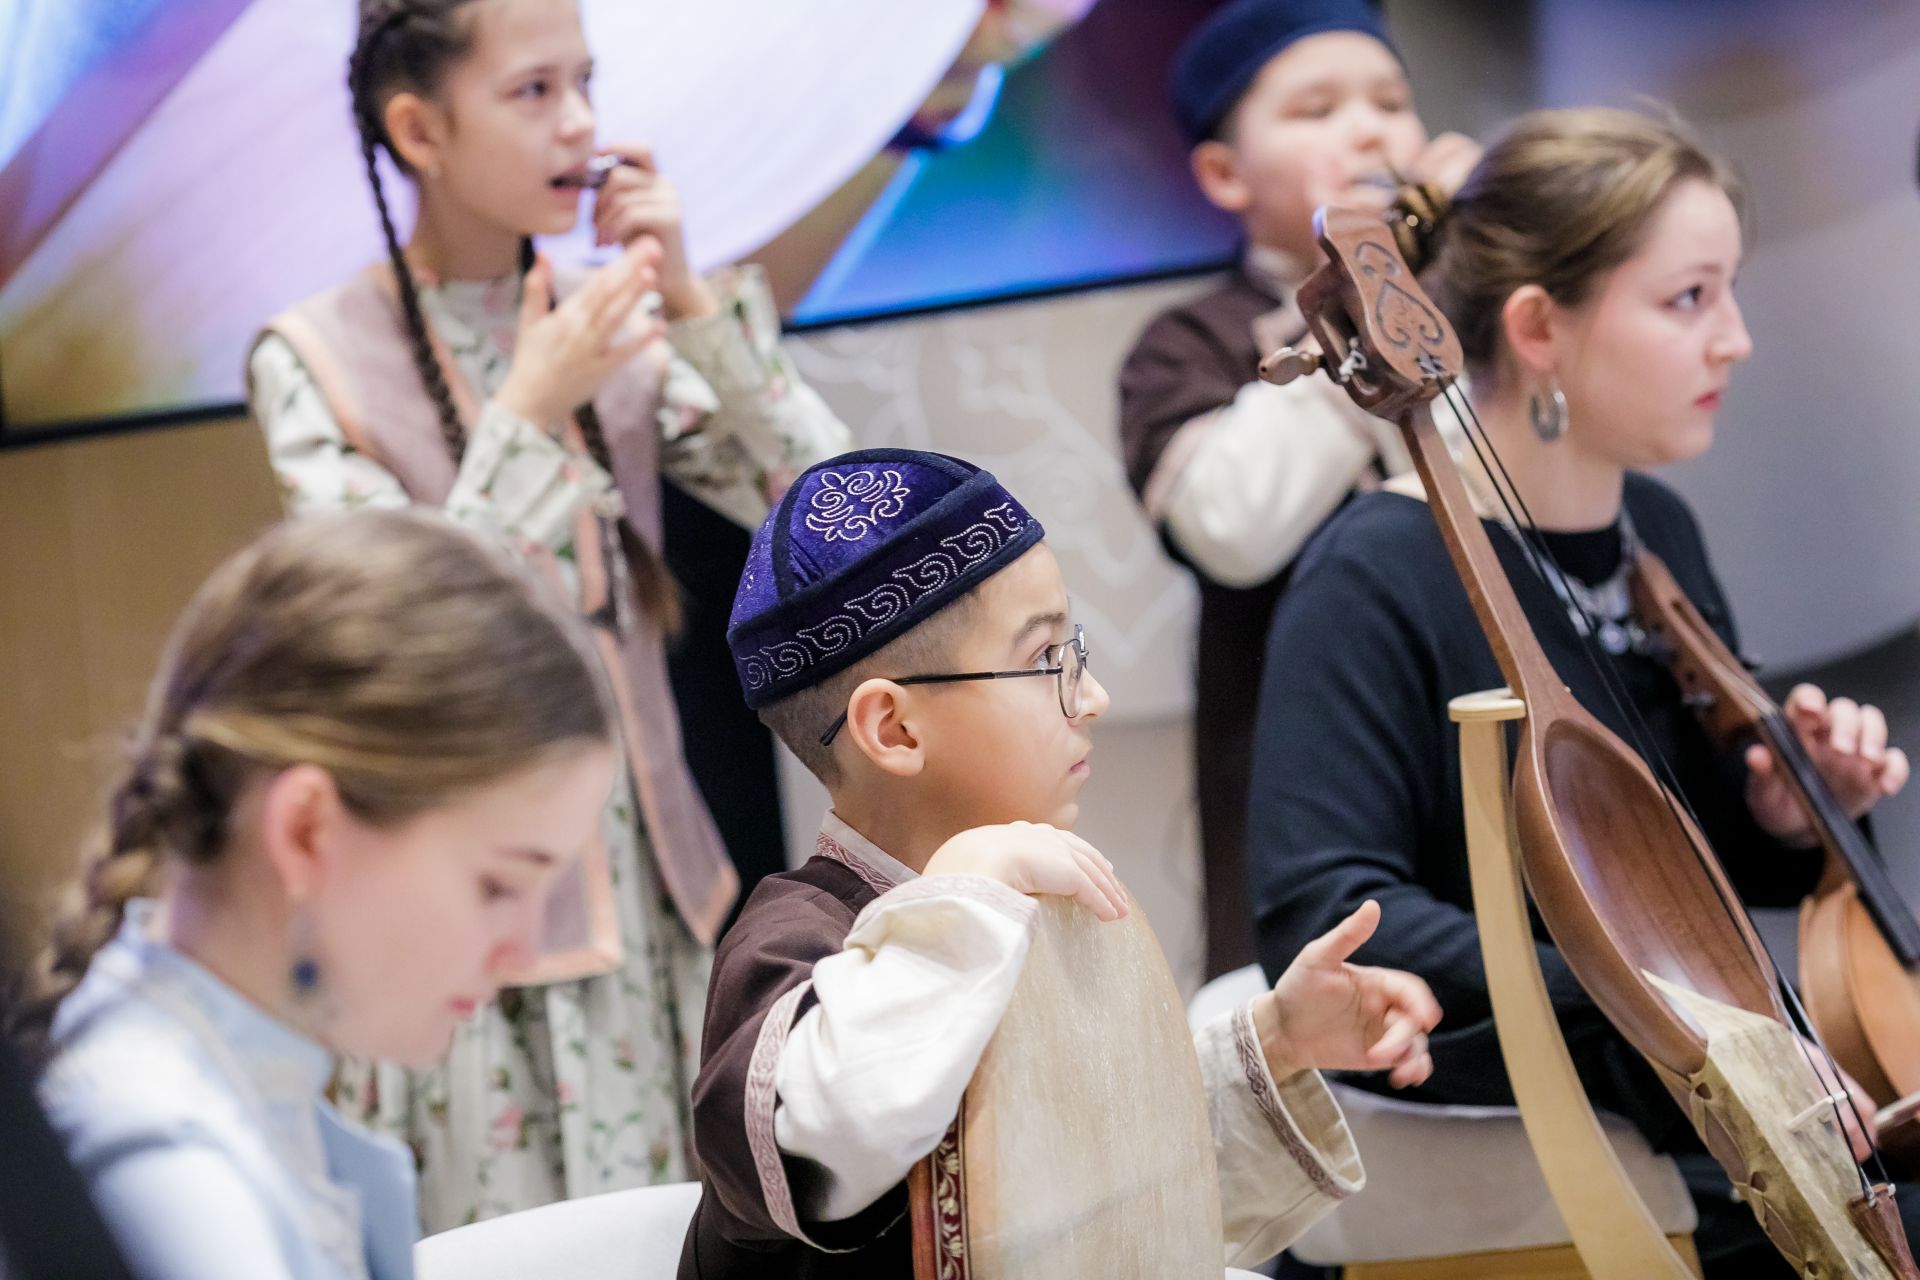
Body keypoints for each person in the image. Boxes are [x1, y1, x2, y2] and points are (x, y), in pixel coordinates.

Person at [1247, 107, 1911, 1276]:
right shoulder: (1374, 574)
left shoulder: (1655, 530)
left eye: (1729, 290)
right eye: (1689, 298)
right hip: (1570, 1132)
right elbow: (1325, 912)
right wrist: (1673, 1014)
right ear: (1541, 327)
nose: (1737, 340)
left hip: (1695, 1099)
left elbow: (1678, 868)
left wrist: (1788, 808)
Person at [245, 0, 853, 1228]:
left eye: (585, 82)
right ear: (418, 126)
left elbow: (837, 520)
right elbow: (388, 638)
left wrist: (691, 303)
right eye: (532, 92)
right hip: (457, 924)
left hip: (654, 899)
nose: (580, 124)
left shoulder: (609, 322)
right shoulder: (312, 357)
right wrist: (527, 413)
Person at [680, 448, 1443, 1277]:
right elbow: (845, 1126)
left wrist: (1280, 1040)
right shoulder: (792, 945)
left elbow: (1104, 1201)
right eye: (1048, 661)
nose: (1091, 696)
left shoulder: (997, 909)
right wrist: (961, 892)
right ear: (894, 729)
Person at [10, 509, 618, 1280]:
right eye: (499, 885)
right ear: (304, 831)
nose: (525, 950)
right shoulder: (179, 1184)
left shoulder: (246, 1105)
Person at [1116, 0, 1480, 978]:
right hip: (1320, 811)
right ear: (1224, 173)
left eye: (1391, 100)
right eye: (1317, 108)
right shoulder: (1187, 345)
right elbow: (1231, 526)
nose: (1371, 129)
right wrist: (1374, 287)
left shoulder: (1477, 308)